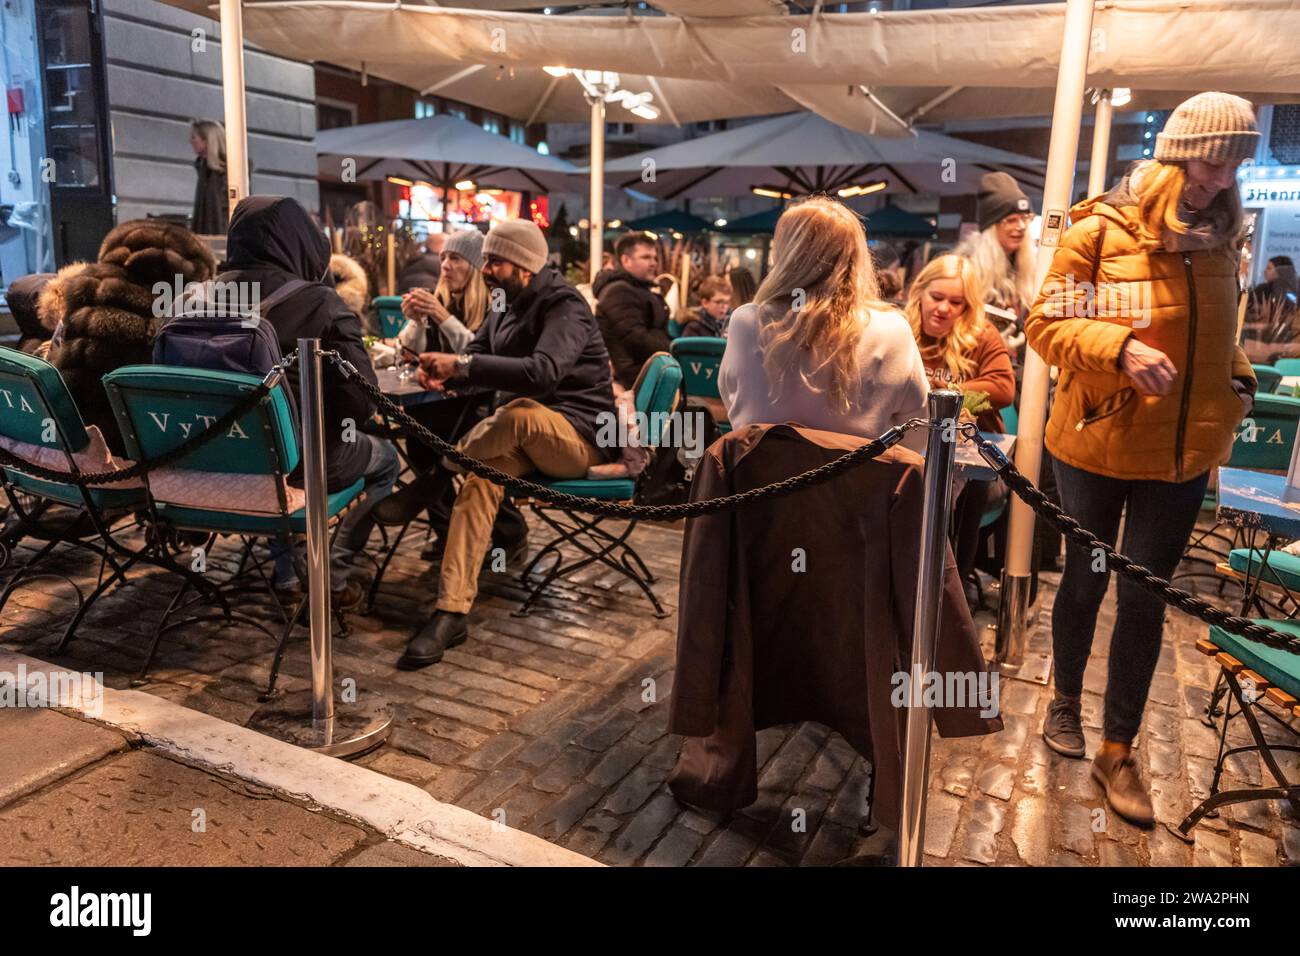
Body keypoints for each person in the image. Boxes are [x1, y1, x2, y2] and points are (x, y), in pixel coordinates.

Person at [1025, 92, 1261, 826]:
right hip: (1097, 441)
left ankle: (1117, 749)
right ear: (1178, 151)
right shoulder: (1101, 228)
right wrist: (1118, 348)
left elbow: (1218, 338)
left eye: (1235, 165)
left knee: (1146, 599)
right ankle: (1063, 701)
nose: (1223, 179)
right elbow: (1045, 323)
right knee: (1086, 584)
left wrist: (1239, 383)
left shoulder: (1221, 237)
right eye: (1214, 160)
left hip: (1183, 457)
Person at [402, 219, 618, 668]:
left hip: (579, 437)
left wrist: (461, 366)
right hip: (517, 436)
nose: (486, 269)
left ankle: (437, 474)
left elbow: (542, 373)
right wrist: (447, 376)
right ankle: (451, 611)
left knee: (519, 411)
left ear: (525, 266)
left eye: (495, 261)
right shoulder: (503, 300)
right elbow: (478, 358)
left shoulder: (566, 305)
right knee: (480, 481)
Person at [218, 196, 401, 608]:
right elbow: (361, 403)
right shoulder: (320, 303)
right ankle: (330, 576)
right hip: (301, 468)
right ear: (303, 240)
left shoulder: (194, 299)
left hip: (214, 468)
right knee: (387, 460)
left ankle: (287, 574)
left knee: (267, 447)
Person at [373, 227, 527, 562]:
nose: (445, 265)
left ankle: (510, 532)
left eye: (455, 258)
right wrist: (417, 322)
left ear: (473, 267)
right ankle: (445, 531)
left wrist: (442, 318)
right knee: (419, 438)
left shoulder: (495, 305)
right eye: (443, 257)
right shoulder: (441, 298)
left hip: (485, 404)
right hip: (443, 402)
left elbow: (478, 359)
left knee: (452, 448)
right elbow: (406, 353)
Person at [720, 195, 928, 442]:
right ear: (856, 254)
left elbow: (735, 407)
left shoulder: (748, 321)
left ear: (785, 255)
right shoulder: (893, 331)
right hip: (859, 480)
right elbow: (919, 433)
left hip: (759, 478)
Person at [39, 219, 217, 457]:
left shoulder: (87, 286)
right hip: (131, 451)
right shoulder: (176, 306)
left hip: (68, 437)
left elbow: (56, 356)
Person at [906, 254, 1015, 606]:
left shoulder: (982, 334)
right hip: (911, 447)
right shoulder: (899, 330)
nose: (943, 309)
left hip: (973, 464)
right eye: (937, 298)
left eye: (956, 302)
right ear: (919, 292)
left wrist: (945, 394)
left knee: (968, 483)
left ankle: (953, 592)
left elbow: (1003, 387)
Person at [954, 172, 1038, 348]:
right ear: (992, 226)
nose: (1021, 226)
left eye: (1025, 218)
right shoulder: (965, 269)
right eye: (1011, 220)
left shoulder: (1028, 269)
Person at [594, 232, 669, 388]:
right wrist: (670, 343)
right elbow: (639, 340)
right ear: (626, 260)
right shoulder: (618, 292)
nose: (654, 263)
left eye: (655, 258)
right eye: (646, 257)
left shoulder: (640, 289)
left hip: (647, 373)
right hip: (634, 381)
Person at [189, 119, 229, 236]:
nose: (190, 141)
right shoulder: (204, 170)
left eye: (194, 137)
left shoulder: (226, 173)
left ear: (207, 140)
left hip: (221, 241)